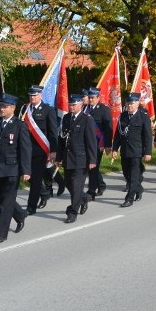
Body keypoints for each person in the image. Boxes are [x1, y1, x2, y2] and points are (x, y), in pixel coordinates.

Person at [0, 94, 30, 243]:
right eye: (1, 106)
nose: (2, 109)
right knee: (1, 197)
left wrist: (26, 170)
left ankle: (1, 234)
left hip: (12, 169)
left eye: (5, 107)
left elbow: (25, 149)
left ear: (13, 108)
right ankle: (20, 214)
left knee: (6, 204)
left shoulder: (19, 125)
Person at [57, 93, 98, 223]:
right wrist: (59, 157)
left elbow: (91, 141)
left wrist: (92, 160)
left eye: (74, 105)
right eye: (70, 104)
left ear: (81, 104)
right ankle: (83, 198)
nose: (71, 107)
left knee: (76, 185)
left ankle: (72, 211)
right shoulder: (66, 118)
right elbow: (61, 139)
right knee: (69, 184)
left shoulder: (87, 119)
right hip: (68, 158)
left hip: (81, 159)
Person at [19, 85, 58, 216]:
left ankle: (31, 207)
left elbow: (53, 132)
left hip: (40, 151)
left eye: (35, 95)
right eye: (30, 95)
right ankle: (44, 192)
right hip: (25, 150)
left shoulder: (48, 110)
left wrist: (53, 150)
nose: (32, 97)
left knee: (35, 179)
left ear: (41, 96)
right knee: (23, 173)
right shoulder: (25, 109)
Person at [113, 93, 152, 206]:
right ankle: (138, 189)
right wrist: (115, 148)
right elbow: (118, 134)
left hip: (136, 150)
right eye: (128, 103)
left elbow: (148, 135)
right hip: (125, 150)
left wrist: (147, 152)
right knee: (126, 174)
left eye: (131, 104)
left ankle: (129, 199)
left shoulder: (143, 116)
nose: (129, 106)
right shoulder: (123, 116)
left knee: (134, 176)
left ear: (137, 104)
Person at [83, 88, 112, 201]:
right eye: (89, 97)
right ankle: (100, 185)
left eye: (93, 98)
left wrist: (107, 145)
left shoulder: (104, 110)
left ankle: (91, 192)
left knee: (93, 167)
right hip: (85, 144)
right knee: (90, 167)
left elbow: (108, 129)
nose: (90, 100)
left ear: (98, 98)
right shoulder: (84, 109)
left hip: (98, 144)